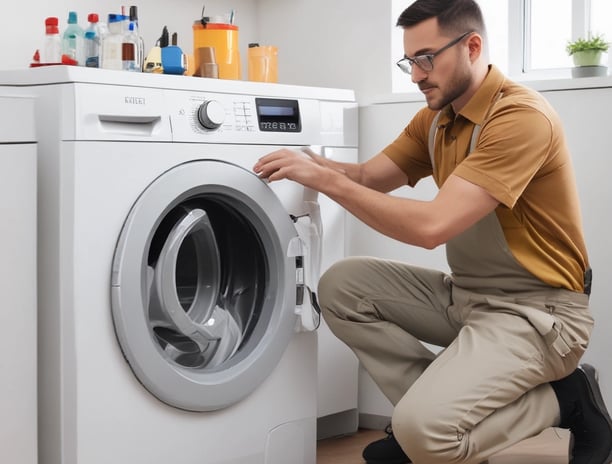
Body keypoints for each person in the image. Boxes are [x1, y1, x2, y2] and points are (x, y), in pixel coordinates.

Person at [253, 0, 612, 462]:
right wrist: (307, 162)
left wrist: (322, 180)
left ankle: (564, 398)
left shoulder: (520, 119)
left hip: (538, 315)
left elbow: (431, 227)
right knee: (343, 287)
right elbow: (365, 176)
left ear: (472, 46)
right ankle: (427, 422)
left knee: (426, 435)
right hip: (467, 296)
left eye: (426, 58)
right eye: (409, 61)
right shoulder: (439, 116)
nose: (415, 75)